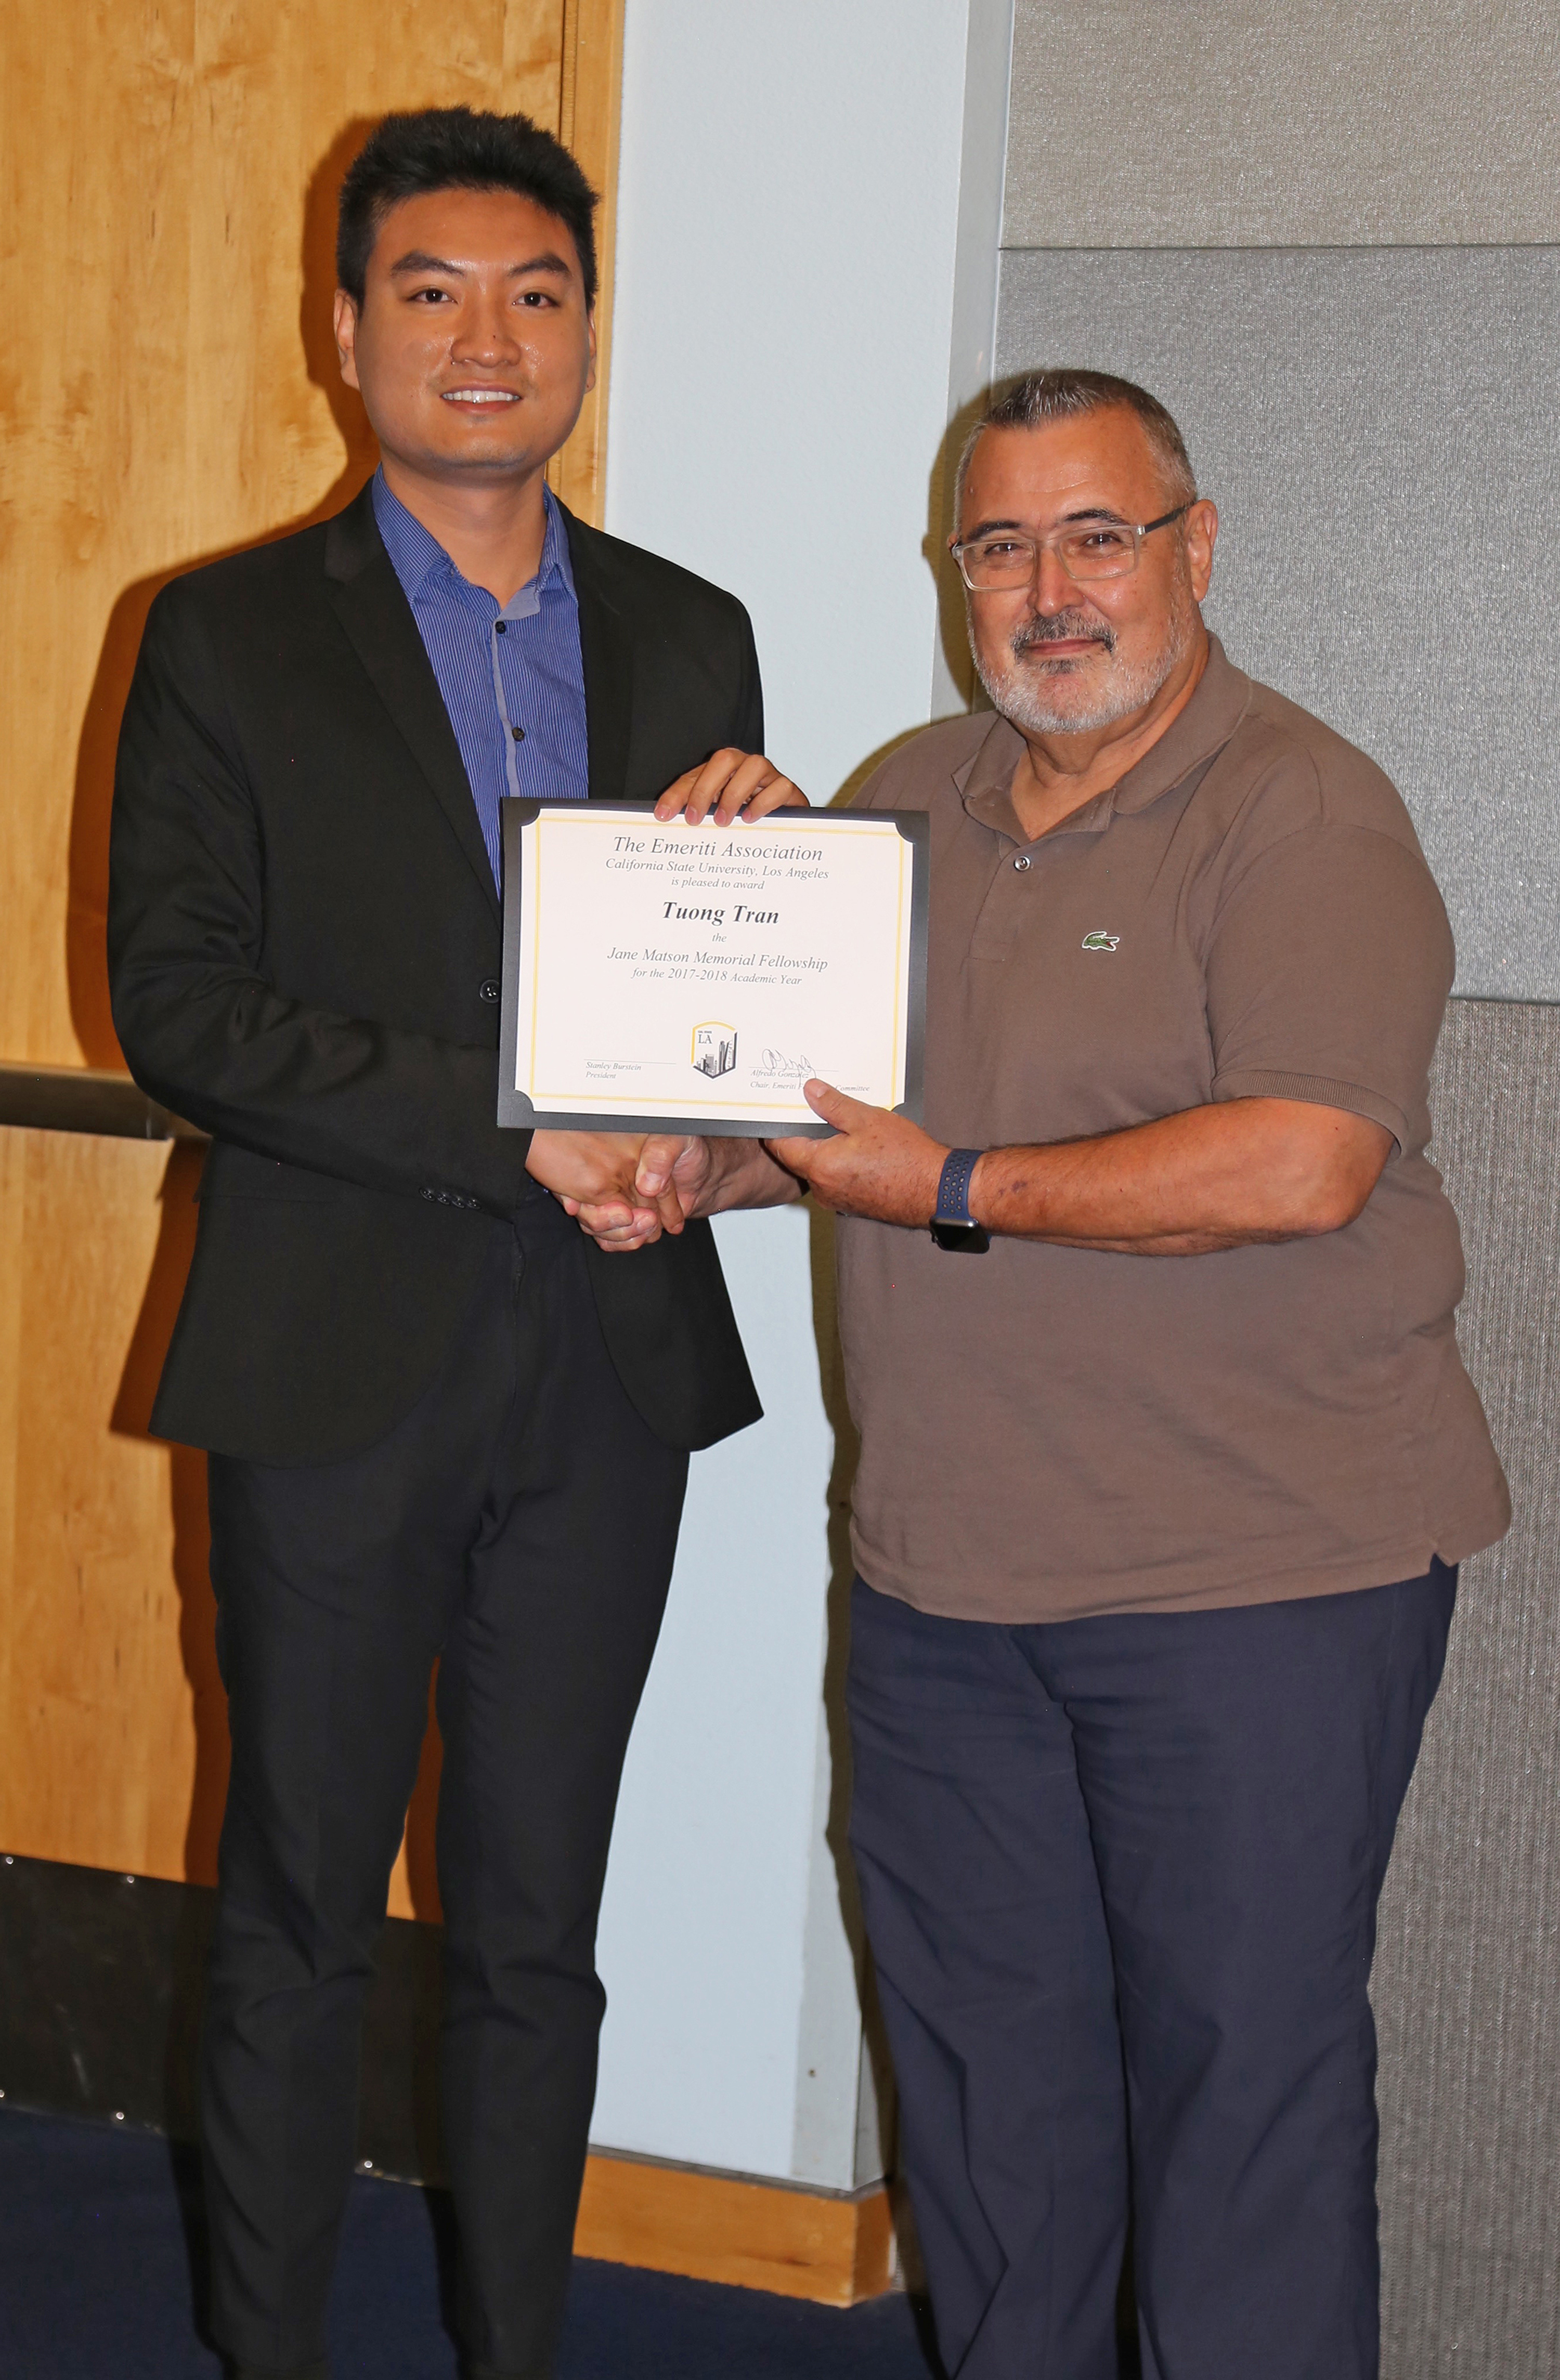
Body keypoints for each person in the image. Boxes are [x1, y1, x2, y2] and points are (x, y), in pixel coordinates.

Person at [109, 107, 796, 2380]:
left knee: (538, 1930)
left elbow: (724, 1017)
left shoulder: (696, 633)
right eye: (431, 290)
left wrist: (729, 1056)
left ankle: (518, 2349)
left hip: (607, 1360)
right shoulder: (217, 634)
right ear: (345, 330)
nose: (487, 338)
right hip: (330, 1356)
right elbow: (186, 1003)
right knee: (302, 1916)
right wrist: (524, 1126)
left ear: (588, 324)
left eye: (536, 292)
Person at [764, 371, 1512, 2379]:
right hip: (942, 1587)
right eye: (999, 545)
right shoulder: (903, 795)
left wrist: (961, 1187)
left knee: (1234, 2112)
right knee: (994, 2120)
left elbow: (1302, 1157)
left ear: (1198, 546)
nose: (1050, 589)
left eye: (1099, 535)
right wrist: (661, 1149)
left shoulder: (1306, 807)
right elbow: (807, 1118)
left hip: (1255, 1587)